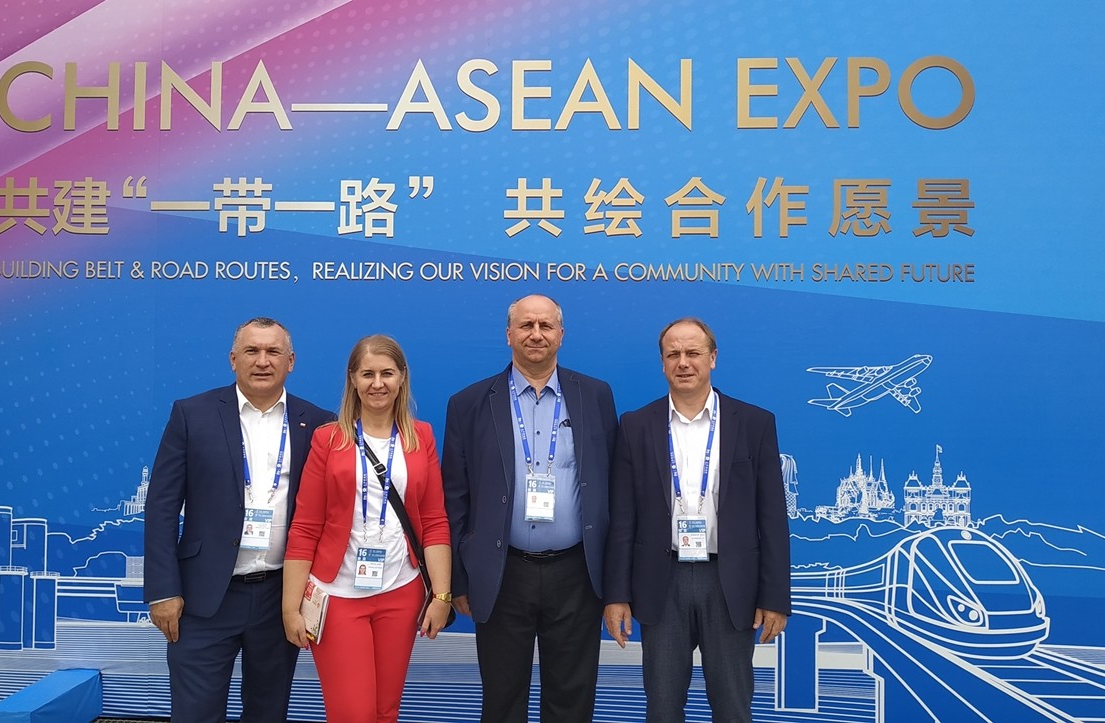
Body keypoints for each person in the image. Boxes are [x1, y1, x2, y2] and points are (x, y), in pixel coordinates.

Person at [143, 317, 333, 723]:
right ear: (233, 359)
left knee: (268, 713)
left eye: (273, 351)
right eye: (252, 351)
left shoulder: (319, 423)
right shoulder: (192, 414)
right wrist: (162, 591)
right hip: (203, 599)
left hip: (280, 598)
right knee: (195, 714)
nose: (262, 361)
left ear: (291, 361)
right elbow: (161, 508)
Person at [603, 318, 791, 723]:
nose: (683, 362)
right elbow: (622, 519)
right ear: (662, 363)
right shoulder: (636, 425)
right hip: (661, 582)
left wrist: (775, 597)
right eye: (673, 354)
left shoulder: (754, 423)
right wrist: (616, 595)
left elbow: (773, 516)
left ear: (713, 358)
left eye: (693, 353)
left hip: (730, 583)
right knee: (662, 707)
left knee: (733, 707)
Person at [443, 294, 618, 722]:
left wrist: (616, 580)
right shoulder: (469, 403)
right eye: (525, 326)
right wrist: (459, 580)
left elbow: (612, 488)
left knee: (571, 700)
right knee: (502, 699)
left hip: (577, 573)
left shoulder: (595, 395)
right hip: (503, 572)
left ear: (561, 335)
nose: (535, 334)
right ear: (509, 335)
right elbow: (455, 498)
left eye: (545, 325)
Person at [283, 334, 452, 723]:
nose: (378, 383)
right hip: (338, 595)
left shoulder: (421, 437)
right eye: (368, 374)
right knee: (353, 714)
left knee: (385, 712)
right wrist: (290, 608)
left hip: (401, 591)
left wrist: (441, 596)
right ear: (353, 379)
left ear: (402, 377)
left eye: (387, 373)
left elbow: (434, 521)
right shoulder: (328, 439)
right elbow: (305, 527)